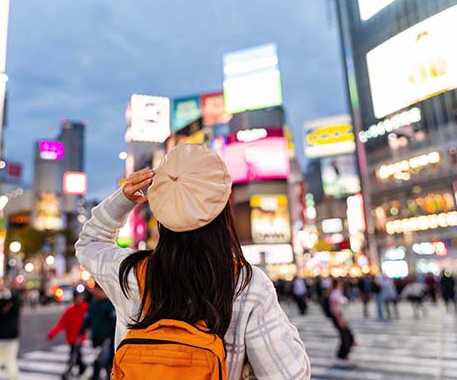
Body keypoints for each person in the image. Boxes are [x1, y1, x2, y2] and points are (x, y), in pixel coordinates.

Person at [75, 145, 311, 380]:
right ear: (224, 207)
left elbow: (89, 243)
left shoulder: (131, 274)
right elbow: (289, 375)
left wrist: (122, 198)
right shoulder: (246, 284)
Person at [47, 290, 89, 378]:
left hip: (79, 338)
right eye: (77, 297)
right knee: (76, 356)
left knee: (74, 356)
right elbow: (61, 324)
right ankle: (82, 370)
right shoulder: (70, 311)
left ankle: (69, 373)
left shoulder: (85, 308)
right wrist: (52, 334)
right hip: (71, 339)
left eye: (80, 297)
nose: (79, 299)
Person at [80, 284, 115, 380]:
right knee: (96, 361)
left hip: (108, 339)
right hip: (96, 337)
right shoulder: (94, 303)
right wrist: (82, 330)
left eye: (96, 290)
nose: (94, 292)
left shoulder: (109, 304)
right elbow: (88, 318)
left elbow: (114, 321)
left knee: (108, 362)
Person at [328, 279, 355, 368]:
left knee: (347, 336)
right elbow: (335, 308)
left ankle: (344, 356)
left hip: (341, 317)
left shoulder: (337, 292)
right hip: (338, 317)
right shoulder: (335, 293)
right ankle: (341, 357)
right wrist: (340, 320)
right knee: (345, 337)